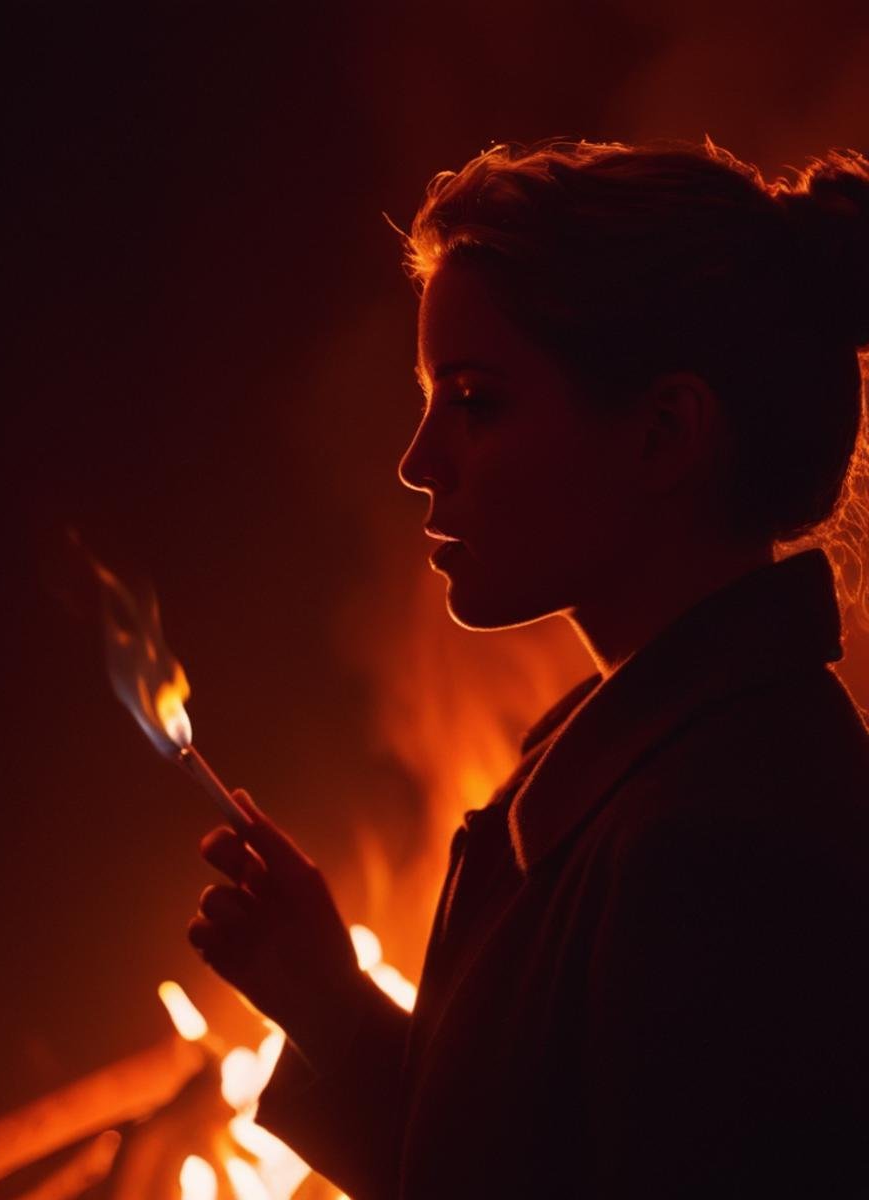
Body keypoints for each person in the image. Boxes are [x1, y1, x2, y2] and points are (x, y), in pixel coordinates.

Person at [186, 137, 869, 1198]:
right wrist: (331, 1010)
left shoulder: (718, 844)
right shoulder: (642, 771)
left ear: (663, 434)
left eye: (476, 399)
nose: (419, 462)